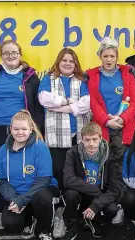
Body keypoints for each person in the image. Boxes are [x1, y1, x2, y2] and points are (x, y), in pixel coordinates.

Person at [0, 39, 44, 167]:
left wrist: (39, 129)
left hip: (21, 129)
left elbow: (38, 107)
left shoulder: (30, 78)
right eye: (6, 53)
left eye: (14, 53)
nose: (10, 56)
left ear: (20, 55)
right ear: (1, 56)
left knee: (21, 164)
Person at [0, 110, 59, 240]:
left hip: (41, 192)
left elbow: (45, 179)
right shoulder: (2, 151)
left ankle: (46, 229)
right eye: (16, 129)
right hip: (17, 196)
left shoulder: (40, 147)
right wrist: (14, 199)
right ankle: (30, 220)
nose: (20, 132)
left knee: (41, 198)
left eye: (24, 129)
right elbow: (2, 181)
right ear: (10, 129)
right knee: (10, 223)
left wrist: (23, 199)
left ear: (31, 129)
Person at [38, 48, 91, 191]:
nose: (68, 64)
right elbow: (44, 99)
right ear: (58, 62)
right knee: (58, 169)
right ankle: (60, 201)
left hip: (77, 135)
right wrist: (69, 101)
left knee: (77, 170)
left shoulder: (81, 81)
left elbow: (85, 104)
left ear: (76, 64)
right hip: (56, 135)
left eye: (71, 61)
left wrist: (60, 107)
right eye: (64, 60)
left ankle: (74, 201)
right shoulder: (48, 79)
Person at [62, 122, 123, 239]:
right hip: (82, 193)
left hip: (98, 196)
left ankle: (95, 221)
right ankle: (72, 227)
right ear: (82, 140)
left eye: (95, 139)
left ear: (100, 138)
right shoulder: (73, 153)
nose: (91, 144)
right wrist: (95, 191)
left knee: (112, 209)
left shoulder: (108, 156)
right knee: (70, 194)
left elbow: (115, 188)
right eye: (87, 140)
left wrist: (97, 204)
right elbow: (68, 180)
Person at [86, 37, 135, 168]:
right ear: (100, 56)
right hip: (102, 127)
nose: (109, 60)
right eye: (105, 56)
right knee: (103, 164)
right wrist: (106, 121)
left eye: (112, 56)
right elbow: (93, 102)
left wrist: (122, 119)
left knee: (123, 164)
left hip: (123, 127)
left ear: (117, 57)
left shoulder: (127, 75)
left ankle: (122, 189)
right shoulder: (93, 76)